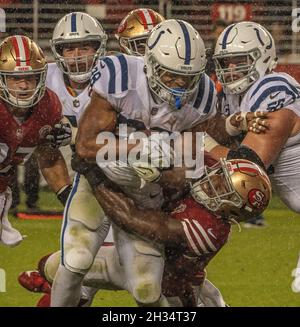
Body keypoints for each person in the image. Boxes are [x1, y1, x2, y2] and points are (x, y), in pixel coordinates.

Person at [50, 19, 219, 307]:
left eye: (187, 78)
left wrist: (162, 170)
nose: (181, 85)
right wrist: (137, 149)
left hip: (146, 195)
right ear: (150, 64)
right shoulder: (121, 76)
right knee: (76, 260)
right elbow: (85, 147)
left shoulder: (203, 96)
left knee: (147, 289)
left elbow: (188, 169)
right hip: (98, 180)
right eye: (171, 75)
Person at [19, 155, 272, 307]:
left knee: (151, 290)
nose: (212, 179)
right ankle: (50, 284)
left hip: (171, 287)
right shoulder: (208, 175)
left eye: (222, 186)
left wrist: (95, 176)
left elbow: (132, 218)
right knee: (57, 266)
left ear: (233, 210)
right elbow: (187, 158)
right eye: (219, 176)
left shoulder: (210, 228)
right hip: (136, 256)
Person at [203, 21, 300, 291]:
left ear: (263, 58)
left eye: (239, 60)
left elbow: (244, 171)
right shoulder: (230, 98)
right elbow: (212, 127)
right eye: (227, 62)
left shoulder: (272, 88)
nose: (231, 69)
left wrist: (196, 142)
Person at [0, 35, 72, 247]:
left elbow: (47, 155)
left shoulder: (48, 106)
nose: (23, 86)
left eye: (30, 78)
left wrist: (66, 195)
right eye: (15, 79)